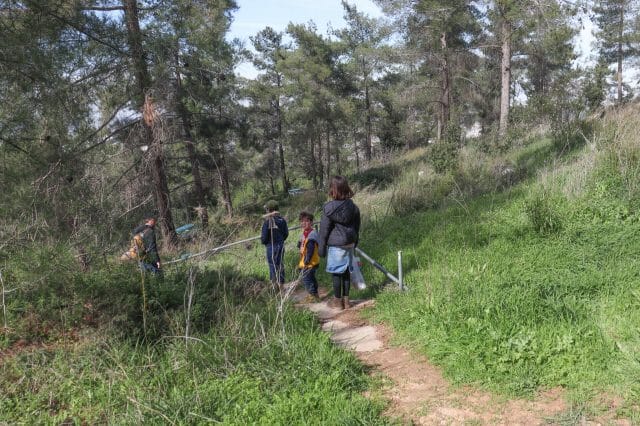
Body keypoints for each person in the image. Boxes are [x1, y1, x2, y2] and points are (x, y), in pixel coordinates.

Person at [318, 176, 360, 309]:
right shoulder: (353, 207)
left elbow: (324, 230)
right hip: (349, 243)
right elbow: (357, 227)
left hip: (336, 246)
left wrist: (321, 248)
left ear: (333, 190)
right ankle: (346, 302)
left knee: (336, 273)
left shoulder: (328, 208)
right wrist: (355, 242)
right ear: (346, 188)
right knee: (346, 272)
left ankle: (337, 302)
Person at [261, 199, 289, 286]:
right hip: (281, 245)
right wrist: (281, 240)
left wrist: (265, 242)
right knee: (280, 264)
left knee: (272, 265)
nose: (266, 211)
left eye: (267, 209)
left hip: (271, 246)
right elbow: (286, 233)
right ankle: (281, 285)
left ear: (269, 210)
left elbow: (264, 238)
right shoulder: (282, 220)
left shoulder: (267, 222)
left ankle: (274, 285)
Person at [297, 211, 320, 303]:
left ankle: (312, 295)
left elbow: (310, 250)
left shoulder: (312, 234)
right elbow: (301, 246)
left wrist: (306, 262)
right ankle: (315, 295)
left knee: (307, 279)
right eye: (302, 221)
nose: (304, 223)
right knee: (311, 278)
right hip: (308, 261)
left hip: (310, 262)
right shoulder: (304, 233)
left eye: (306, 221)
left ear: (311, 222)